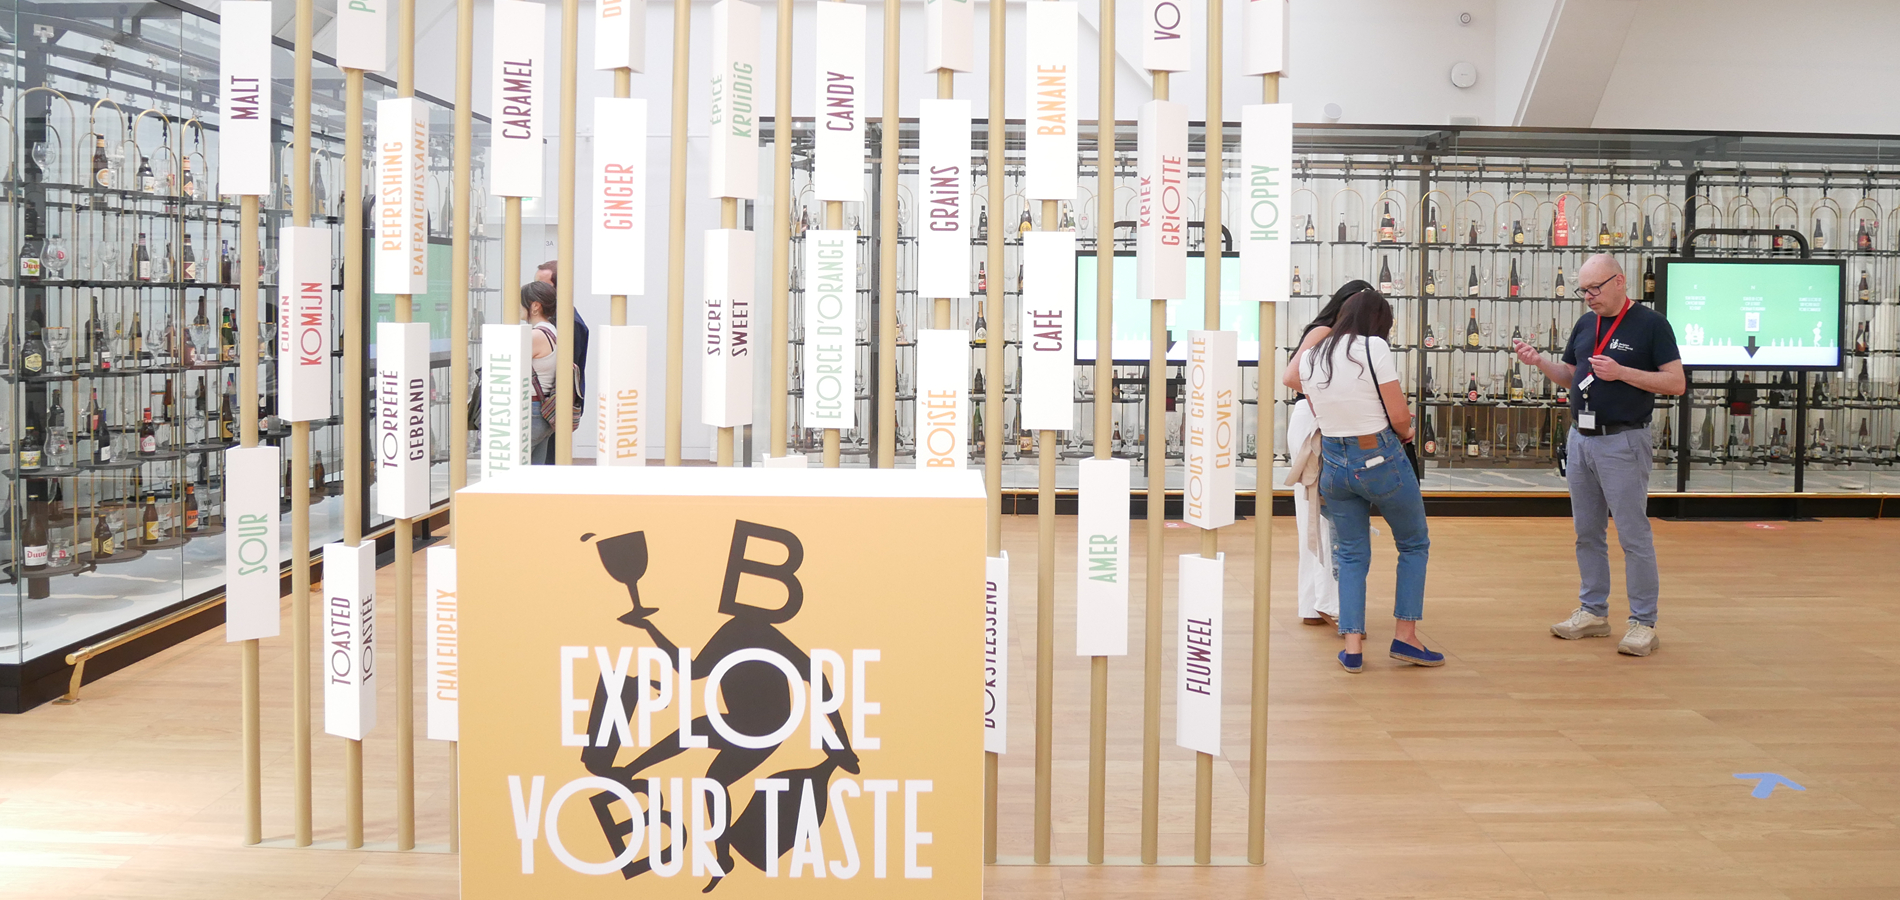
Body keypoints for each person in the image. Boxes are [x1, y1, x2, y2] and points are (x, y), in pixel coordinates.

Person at [1513, 253, 1684, 656]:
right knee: (1587, 531)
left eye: (1595, 288)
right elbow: (1572, 375)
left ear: (1620, 282)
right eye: (1584, 290)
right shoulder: (1586, 324)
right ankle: (1593, 611)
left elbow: (1676, 383)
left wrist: (1623, 372)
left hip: (1623, 441)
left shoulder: (1652, 325)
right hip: (1581, 439)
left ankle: (1643, 622)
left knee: (1632, 534)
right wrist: (1540, 362)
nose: (1589, 297)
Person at [1290, 287, 1442, 673]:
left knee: (1350, 553)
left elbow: (1317, 408)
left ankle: (1353, 646)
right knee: (1413, 543)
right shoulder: (1374, 348)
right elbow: (1399, 416)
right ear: (1379, 321)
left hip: (1334, 463)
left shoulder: (1311, 357)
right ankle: (1405, 637)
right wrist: (1407, 432)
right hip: (1379, 458)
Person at [1280, 282, 1368, 628]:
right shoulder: (1324, 332)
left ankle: (1314, 603)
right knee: (1323, 512)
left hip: (1322, 418)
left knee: (1318, 513)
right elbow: (1291, 377)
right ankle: (1328, 603)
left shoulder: (1344, 338)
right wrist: (1330, 395)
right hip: (1314, 421)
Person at [523, 281, 562, 464]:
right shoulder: (552, 331)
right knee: (534, 471)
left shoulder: (536, 336)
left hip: (531, 410)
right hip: (544, 410)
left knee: (513, 470)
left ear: (535, 306)